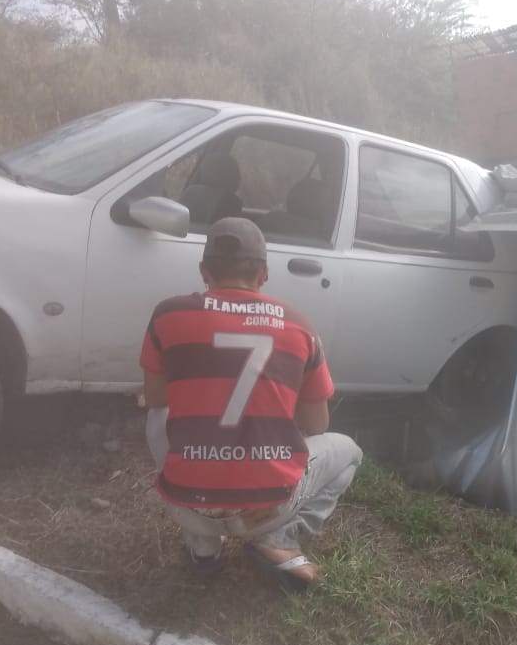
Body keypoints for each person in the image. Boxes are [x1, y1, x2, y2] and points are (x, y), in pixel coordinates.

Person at [139, 217, 362, 592]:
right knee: (350, 452)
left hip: (189, 503)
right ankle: (278, 539)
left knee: (157, 414)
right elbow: (317, 423)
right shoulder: (300, 326)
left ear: (204, 272)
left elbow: (158, 398)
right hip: (268, 509)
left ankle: (203, 546)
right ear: (264, 274)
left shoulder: (168, 315)